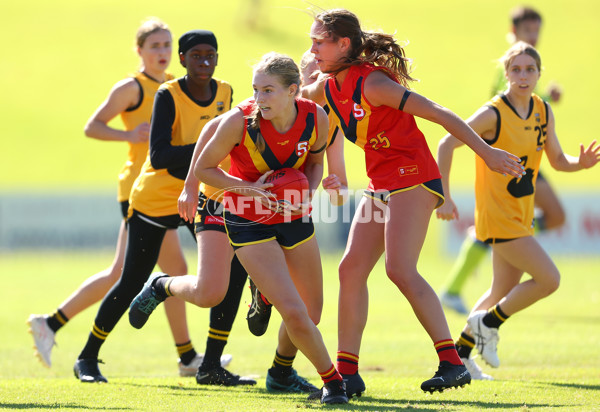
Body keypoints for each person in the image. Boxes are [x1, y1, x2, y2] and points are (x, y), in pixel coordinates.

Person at [303, 8, 525, 395]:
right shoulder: (326, 85)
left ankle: (452, 363)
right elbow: (300, 99)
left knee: (399, 269)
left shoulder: (372, 84)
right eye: (312, 42)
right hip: (381, 183)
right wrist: (289, 85)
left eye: (319, 43)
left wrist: (487, 153)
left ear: (344, 44)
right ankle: (347, 374)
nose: (313, 49)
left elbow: (439, 113)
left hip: (414, 178)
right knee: (350, 269)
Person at [129, 52, 349, 404]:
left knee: (311, 313)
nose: (259, 99)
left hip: (292, 215)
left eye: (268, 91)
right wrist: (250, 189)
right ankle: (334, 384)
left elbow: (315, 162)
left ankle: (280, 371)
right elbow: (204, 168)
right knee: (278, 306)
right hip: (245, 215)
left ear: (294, 91)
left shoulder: (316, 118)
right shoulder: (240, 120)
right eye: (255, 90)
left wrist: (306, 193)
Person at [26, 17, 226, 376]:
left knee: (171, 271)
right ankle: (53, 324)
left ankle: (187, 357)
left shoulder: (182, 85)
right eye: (155, 46)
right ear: (140, 51)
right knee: (127, 273)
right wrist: (130, 135)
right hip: (142, 188)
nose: (162, 52)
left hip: (181, 187)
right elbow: (93, 127)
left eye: (166, 45)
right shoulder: (132, 88)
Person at [71, 29, 252, 385]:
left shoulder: (226, 92)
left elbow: (233, 143)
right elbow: (162, 156)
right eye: (196, 55)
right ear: (182, 60)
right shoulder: (168, 94)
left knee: (234, 268)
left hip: (201, 196)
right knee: (131, 279)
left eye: (210, 55)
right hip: (156, 197)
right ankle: (87, 358)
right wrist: (208, 151)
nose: (204, 61)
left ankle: (209, 365)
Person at [436, 41, 599, 381]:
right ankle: (488, 323)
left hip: (521, 214)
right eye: (516, 70)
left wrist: (579, 164)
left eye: (530, 70)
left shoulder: (542, 109)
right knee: (549, 279)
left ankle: (460, 358)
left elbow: (556, 160)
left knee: (499, 292)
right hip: (497, 215)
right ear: (506, 74)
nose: (523, 76)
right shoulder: (494, 112)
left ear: (539, 74)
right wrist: (445, 197)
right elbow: (446, 142)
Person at [440, 5, 566, 317]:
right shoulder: (510, 68)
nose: (533, 36)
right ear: (513, 33)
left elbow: (531, 107)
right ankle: (500, 245)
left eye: (537, 31)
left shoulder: (529, 74)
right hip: (507, 160)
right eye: (527, 31)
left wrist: (548, 100)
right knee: (542, 271)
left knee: (502, 288)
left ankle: (466, 336)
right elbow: (508, 108)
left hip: (527, 158)